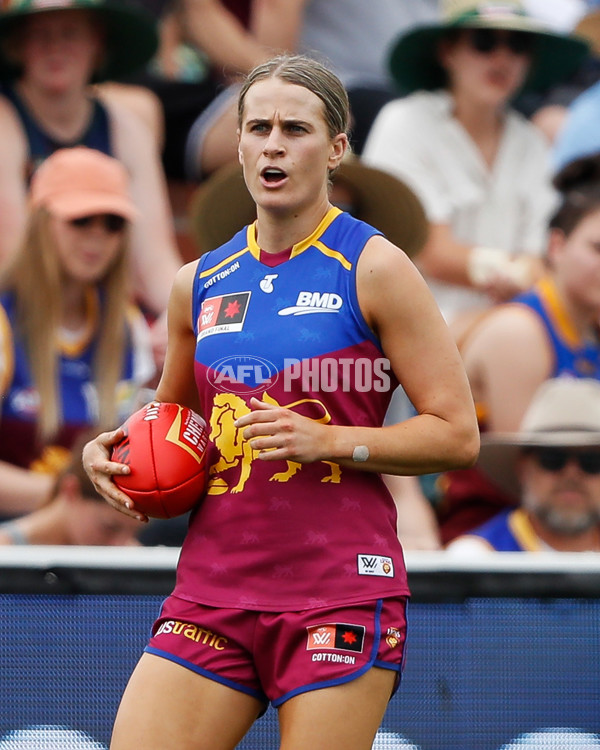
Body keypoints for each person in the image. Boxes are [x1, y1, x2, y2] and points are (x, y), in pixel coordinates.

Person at [82, 54, 479, 749]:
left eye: (295, 128)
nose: (273, 143)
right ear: (236, 143)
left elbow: (456, 436)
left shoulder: (376, 267)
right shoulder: (197, 282)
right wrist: (116, 453)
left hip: (341, 589)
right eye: (258, 126)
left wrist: (327, 440)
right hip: (212, 588)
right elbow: (173, 424)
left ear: (335, 148)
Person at [362, 0, 589, 325]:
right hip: (411, 330)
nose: (502, 58)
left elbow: (543, 259)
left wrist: (523, 274)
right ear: (447, 52)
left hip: (510, 329)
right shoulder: (404, 122)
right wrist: (518, 272)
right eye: (484, 41)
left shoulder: (532, 143)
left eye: (518, 45)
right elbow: (430, 251)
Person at [0, 0, 183, 354]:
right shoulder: (4, 121)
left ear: (97, 43)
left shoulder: (124, 125)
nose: (55, 48)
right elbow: (13, 250)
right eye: (41, 35)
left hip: (102, 306)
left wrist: (181, 317)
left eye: (70, 33)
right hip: (17, 309)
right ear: (18, 46)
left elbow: (155, 256)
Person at [437, 152, 600, 543]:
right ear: (556, 247)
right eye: (597, 249)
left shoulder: (589, 327)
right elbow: (535, 480)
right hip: (494, 542)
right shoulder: (519, 333)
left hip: (574, 534)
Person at [0, 146, 155, 519]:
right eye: (81, 219)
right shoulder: (4, 321)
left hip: (97, 536)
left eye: (113, 224)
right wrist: (72, 493)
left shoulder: (129, 327)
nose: (97, 237)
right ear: (40, 220)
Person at [446, 377, 600, 553]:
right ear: (523, 469)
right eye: (552, 459)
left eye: (592, 462)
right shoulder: (477, 556)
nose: (571, 474)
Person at [0, 436, 142, 546]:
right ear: (71, 490)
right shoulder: (6, 551)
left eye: (133, 532)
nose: (120, 545)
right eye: (110, 527)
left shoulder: (133, 557)